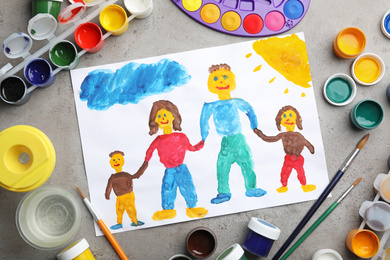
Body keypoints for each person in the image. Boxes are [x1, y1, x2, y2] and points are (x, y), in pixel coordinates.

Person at [200, 63, 267, 204]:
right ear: (210, 84)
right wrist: (203, 138)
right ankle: (223, 192)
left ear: (232, 80)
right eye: (216, 79)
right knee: (222, 167)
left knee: (247, 163)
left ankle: (251, 188)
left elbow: (249, 110)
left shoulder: (236, 102)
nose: (221, 81)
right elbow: (204, 120)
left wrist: (255, 127)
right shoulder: (211, 105)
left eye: (225, 77)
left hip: (239, 139)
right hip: (225, 142)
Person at [137, 100, 208, 221]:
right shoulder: (158, 139)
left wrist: (200, 144)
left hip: (182, 168)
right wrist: (142, 168)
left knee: (188, 186)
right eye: (159, 116)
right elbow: (149, 152)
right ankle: (168, 210)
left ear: (173, 116)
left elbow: (190, 148)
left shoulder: (181, 137)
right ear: (155, 120)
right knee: (167, 188)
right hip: (169, 170)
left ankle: (192, 207)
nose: (162, 118)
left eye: (164, 115)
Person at [254, 105, 316, 193]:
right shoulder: (283, 135)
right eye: (284, 117)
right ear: (280, 121)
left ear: (296, 119)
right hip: (288, 158)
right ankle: (284, 185)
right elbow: (270, 138)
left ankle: (304, 185)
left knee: (300, 172)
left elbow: (306, 143)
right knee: (284, 173)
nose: (287, 119)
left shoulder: (298, 135)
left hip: (298, 158)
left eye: (290, 116)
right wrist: (259, 133)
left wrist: (311, 149)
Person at [105, 150, 145, 230]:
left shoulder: (125, 175)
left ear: (122, 161)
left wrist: (144, 165)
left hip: (129, 195)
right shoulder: (112, 177)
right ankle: (120, 223)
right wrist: (107, 193)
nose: (116, 161)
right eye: (114, 160)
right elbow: (109, 186)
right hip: (120, 197)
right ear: (111, 163)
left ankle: (135, 221)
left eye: (118, 159)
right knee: (119, 210)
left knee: (130, 208)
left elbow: (136, 175)